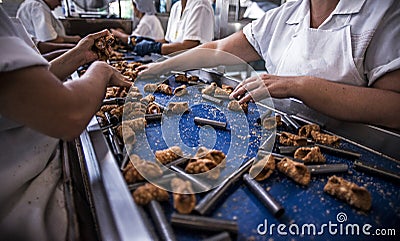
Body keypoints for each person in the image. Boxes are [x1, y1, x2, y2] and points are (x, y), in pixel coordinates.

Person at [139, 0, 400, 130]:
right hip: (280, 137)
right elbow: (218, 49)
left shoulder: (383, 14)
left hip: (355, 153)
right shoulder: (285, 15)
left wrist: (298, 86)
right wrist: (162, 67)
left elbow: (393, 107)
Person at [0, 5, 130, 241]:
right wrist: (99, 71)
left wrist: (80, 54)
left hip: (40, 166)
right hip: (25, 204)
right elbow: (70, 114)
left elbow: (31, 82)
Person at [132, 0, 214, 56]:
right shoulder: (176, 7)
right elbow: (168, 41)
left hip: (194, 71)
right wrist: (145, 41)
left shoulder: (200, 5)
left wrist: (155, 47)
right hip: (175, 67)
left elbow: (188, 46)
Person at [17, 0, 81, 43]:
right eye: (59, 0)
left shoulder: (36, 5)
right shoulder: (37, 6)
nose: (60, 5)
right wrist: (73, 40)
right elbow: (49, 39)